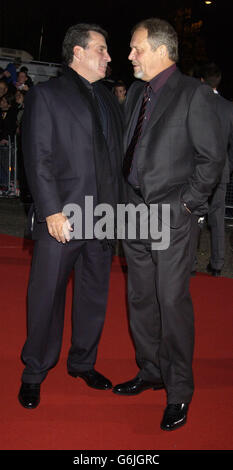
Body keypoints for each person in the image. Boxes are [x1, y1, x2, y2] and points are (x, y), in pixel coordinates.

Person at [112, 18, 225, 431]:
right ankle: (151, 370)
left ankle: (179, 391)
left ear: (161, 50)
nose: (130, 56)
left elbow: (211, 160)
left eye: (136, 48)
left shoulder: (194, 94)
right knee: (140, 297)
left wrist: (186, 206)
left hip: (171, 216)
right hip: (132, 210)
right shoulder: (138, 93)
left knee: (171, 302)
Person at [18, 23, 123, 409]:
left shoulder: (111, 99)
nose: (108, 56)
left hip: (103, 218)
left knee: (94, 294)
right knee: (46, 295)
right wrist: (51, 210)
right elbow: (37, 156)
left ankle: (83, 362)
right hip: (63, 216)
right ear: (77, 52)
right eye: (102, 49)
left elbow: (116, 161)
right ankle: (34, 371)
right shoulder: (46, 95)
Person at [200, 63, 233, 276]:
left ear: (202, 81)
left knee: (194, 217)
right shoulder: (229, 107)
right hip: (221, 168)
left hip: (198, 170)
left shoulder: (196, 104)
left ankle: (191, 263)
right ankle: (218, 264)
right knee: (218, 216)